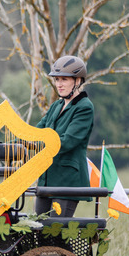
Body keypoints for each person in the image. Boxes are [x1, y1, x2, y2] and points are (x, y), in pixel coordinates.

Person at [34, 55, 95, 217]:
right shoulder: (56, 105)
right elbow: (37, 133)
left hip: (67, 181)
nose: (59, 84)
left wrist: (37, 146)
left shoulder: (84, 107)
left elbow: (67, 142)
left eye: (64, 79)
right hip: (46, 179)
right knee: (38, 228)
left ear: (78, 81)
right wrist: (7, 145)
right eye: (57, 79)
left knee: (56, 233)